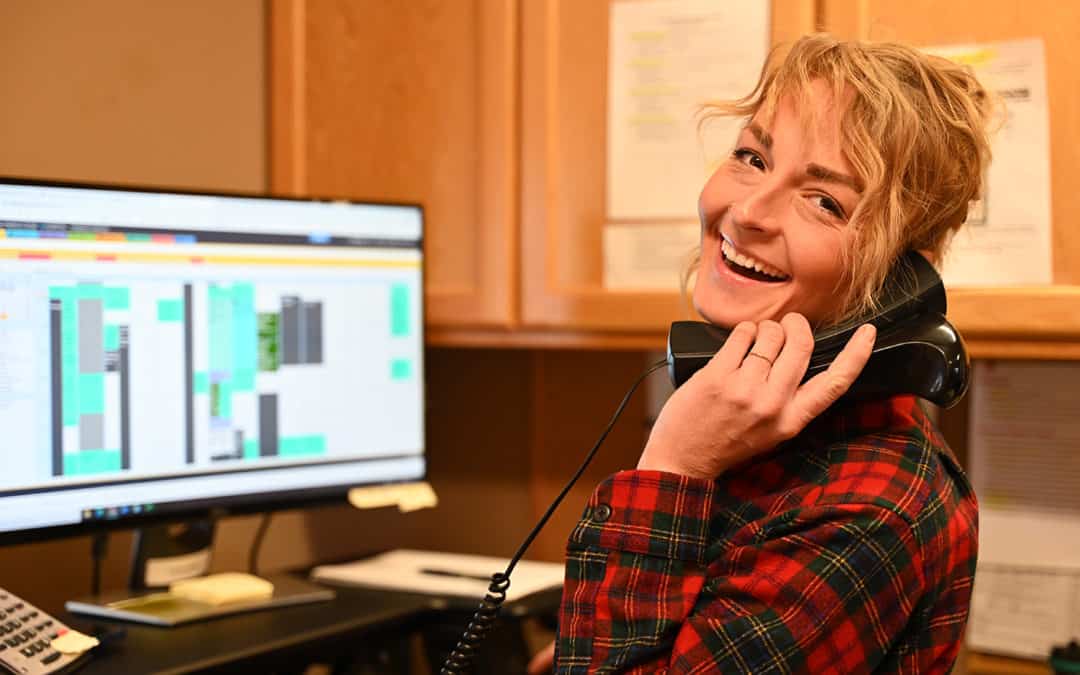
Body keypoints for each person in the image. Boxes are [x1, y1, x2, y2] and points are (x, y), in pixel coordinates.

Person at [530, 33, 991, 674]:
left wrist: (671, 467)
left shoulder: (867, 513)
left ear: (896, 282)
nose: (746, 210)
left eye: (825, 201)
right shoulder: (752, 433)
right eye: (752, 157)